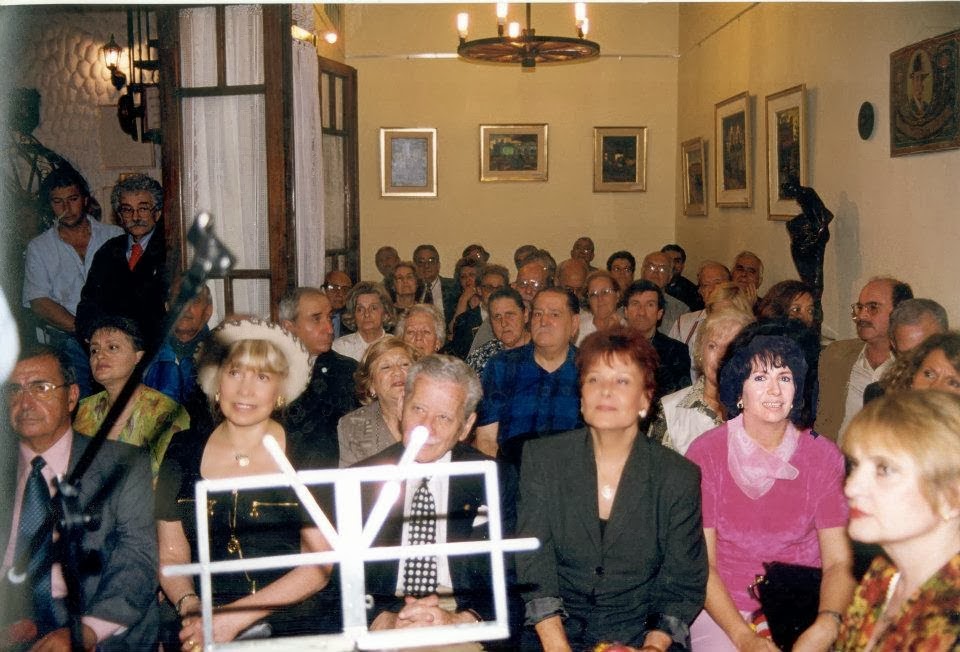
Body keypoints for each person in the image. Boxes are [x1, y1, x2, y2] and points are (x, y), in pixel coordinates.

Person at [517, 327, 707, 650]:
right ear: (581, 396)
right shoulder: (543, 460)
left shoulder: (678, 477)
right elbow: (533, 563)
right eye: (594, 379)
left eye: (621, 381)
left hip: (639, 634)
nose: (605, 391)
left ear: (645, 399)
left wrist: (652, 646)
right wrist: (557, 644)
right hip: (553, 633)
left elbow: (682, 582)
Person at [155, 318, 331, 647]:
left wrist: (233, 620)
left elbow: (319, 564)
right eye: (234, 372)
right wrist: (190, 605)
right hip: (203, 614)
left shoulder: (309, 451)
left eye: (262, 376)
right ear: (216, 381)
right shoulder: (181, 449)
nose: (245, 390)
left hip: (291, 619)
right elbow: (172, 554)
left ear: (280, 391)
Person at [685, 329, 854, 650]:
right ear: (739, 389)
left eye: (785, 377)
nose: (775, 390)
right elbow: (701, 565)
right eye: (760, 378)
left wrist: (826, 625)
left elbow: (838, 563)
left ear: (798, 388)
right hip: (725, 609)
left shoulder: (823, 456)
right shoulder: (706, 453)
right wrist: (743, 637)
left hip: (804, 605)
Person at [0, 345, 158, 648]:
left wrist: (84, 632)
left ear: (72, 396)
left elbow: (137, 561)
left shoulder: (121, 465)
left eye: (41, 388)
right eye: (14, 390)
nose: (25, 402)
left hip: (91, 624)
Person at [351, 355, 496, 629]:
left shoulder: (494, 479)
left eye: (443, 417)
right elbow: (339, 581)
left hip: (459, 616)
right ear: (401, 406)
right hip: (384, 616)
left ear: (465, 426)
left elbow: (513, 579)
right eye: (418, 409)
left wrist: (459, 621)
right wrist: (384, 621)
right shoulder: (362, 480)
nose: (427, 427)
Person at [836, 390, 960, 651]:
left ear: (953, 496)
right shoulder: (882, 576)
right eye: (855, 465)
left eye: (885, 469)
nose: (851, 487)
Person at [23, 167, 123, 398]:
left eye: (73, 199)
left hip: (114, 331)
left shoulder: (114, 236)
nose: (66, 208)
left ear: (86, 200)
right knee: (79, 394)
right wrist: (83, 329)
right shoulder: (39, 247)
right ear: (49, 205)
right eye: (58, 201)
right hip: (67, 334)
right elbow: (39, 302)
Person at [73, 316, 189, 478]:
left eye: (112, 347)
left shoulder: (165, 412)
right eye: (94, 350)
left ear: (138, 357)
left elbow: (172, 482)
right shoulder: (82, 409)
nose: (99, 355)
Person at [475, 287, 582, 461]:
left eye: (554, 314)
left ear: (575, 324)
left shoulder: (590, 370)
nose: (543, 321)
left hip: (570, 477)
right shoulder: (501, 365)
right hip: (513, 474)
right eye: (538, 314)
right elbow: (486, 438)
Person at [75, 173, 168, 352]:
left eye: (143, 208)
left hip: (154, 348)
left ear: (157, 213)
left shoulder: (170, 250)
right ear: (119, 216)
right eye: (127, 209)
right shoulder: (108, 251)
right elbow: (89, 304)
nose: (135, 216)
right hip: (109, 347)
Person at [815, 277, 913, 442]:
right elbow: (821, 419)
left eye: (873, 307)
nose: (861, 316)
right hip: (834, 461)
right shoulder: (837, 356)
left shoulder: (915, 368)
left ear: (900, 313)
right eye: (860, 307)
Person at [650, 309, 754, 454]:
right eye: (713, 346)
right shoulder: (670, 410)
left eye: (731, 347)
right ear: (699, 352)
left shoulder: (762, 410)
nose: (721, 356)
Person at [279, 286, 358, 468]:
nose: (329, 328)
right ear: (288, 327)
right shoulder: (267, 373)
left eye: (329, 317)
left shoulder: (348, 371)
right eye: (316, 319)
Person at [337, 337, 420, 467]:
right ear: (371, 385)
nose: (397, 372)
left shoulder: (434, 416)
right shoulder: (352, 426)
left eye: (404, 364)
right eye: (386, 367)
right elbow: (349, 481)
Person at [863, 298, 949, 404]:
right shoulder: (879, 396)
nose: (918, 363)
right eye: (907, 355)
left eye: (926, 351)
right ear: (893, 345)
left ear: (946, 340)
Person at [143, 282, 213, 408]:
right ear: (167, 307)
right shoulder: (145, 353)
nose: (186, 307)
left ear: (208, 311)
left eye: (195, 300)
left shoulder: (220, 355)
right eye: (179, 299)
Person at [621, 279, 691, 397]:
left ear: (659, 313)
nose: (641, 312)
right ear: (626, 311)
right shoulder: (608, 348)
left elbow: (681, 400)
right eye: (635, 304)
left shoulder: (676, 351)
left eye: (650, 305)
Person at [448, 263, 509, 360]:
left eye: (499, 288)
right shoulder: (464, 320)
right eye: (489, 288)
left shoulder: (513, 319)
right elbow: (458, 358)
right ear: (479, 290)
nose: (494, 293)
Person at [465, 287, 530, 376]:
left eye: (509, 315)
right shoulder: (481, 357)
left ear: (525, 315)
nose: (503, 323)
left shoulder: (543, 352)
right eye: (497, 317)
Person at [668, 260, 731, 346]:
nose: (712, 289)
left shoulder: (742, 324)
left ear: (731, 287)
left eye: (718, 283)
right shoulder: (683, 324)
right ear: (700, 291)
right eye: (706, 285)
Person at [332, 282, 395, 362]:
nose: (367, 314)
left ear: (385, 313)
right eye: (360, 309)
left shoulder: (396, 345)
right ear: (353, 315)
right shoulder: (339, 348)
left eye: (373, 308)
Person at [640, 251, 690, 335]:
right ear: (642, 271)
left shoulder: (681, 311)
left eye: (662, 269)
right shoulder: (627, 306)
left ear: (670, 276)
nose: (656, 272)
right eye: (651, 267)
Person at [577, 270, 624, 345]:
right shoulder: (577, 329)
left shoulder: (628, 330)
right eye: (593, 294)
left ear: (617, 295)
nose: (600, 299)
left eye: (605, 292)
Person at [413, 244, 458, 323]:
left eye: (431, 261)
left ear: (438, 265)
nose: (426, 266)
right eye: (421, 262)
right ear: (415, 266)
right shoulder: (411, 289)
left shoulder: (454, 287)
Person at [662, 244, 704, 311]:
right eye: (668, 260)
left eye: (677, 261)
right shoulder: (651, 285)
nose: (672, 265)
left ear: (682, 265)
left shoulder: (692, 292)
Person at [447, 256, 483, 333]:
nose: (468, 279)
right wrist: (463, 300)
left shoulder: (487, 299)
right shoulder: (454, 300)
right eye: (463, 277)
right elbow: (453, 329)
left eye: (472, 275)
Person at [323, 269, 354, 338]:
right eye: (334, 288)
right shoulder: (314, 319)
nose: (340, 294)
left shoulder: (352, 321)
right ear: (323, 290)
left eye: (345, 290)